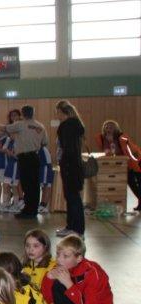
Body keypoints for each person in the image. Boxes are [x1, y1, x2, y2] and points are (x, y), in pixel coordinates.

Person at [0, 105, 47, 218]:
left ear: (23, 114)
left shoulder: (20, 124)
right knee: (34, 184)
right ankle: (33, 209)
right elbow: (45, 142)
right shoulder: (40, 126)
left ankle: (28, 210)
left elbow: (6, 128)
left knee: (26, 184)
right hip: (35, 156)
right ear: (33, 113)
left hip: (24, 157)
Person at [55, 100, 86, 236]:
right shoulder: (76, 124)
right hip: (74, 165)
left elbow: (68, 148)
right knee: (71, 197)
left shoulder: (67, 126)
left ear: (62, 112)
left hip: (69, 165)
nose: (57, 115)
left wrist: (64, 162)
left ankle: (77, 229)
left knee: (73, 198)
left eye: (57, 112)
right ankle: (71, 226)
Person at [96, 120, 141, 211]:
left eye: (111, 127)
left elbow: (127, 151)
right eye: (106, 127)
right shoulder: (102, 138)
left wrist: (112, 144)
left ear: (116, 129)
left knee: (138, 184)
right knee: (132, 184)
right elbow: (107, 152)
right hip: (122, 165)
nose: (108, 129)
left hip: (135, 162)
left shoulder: (122, 137)